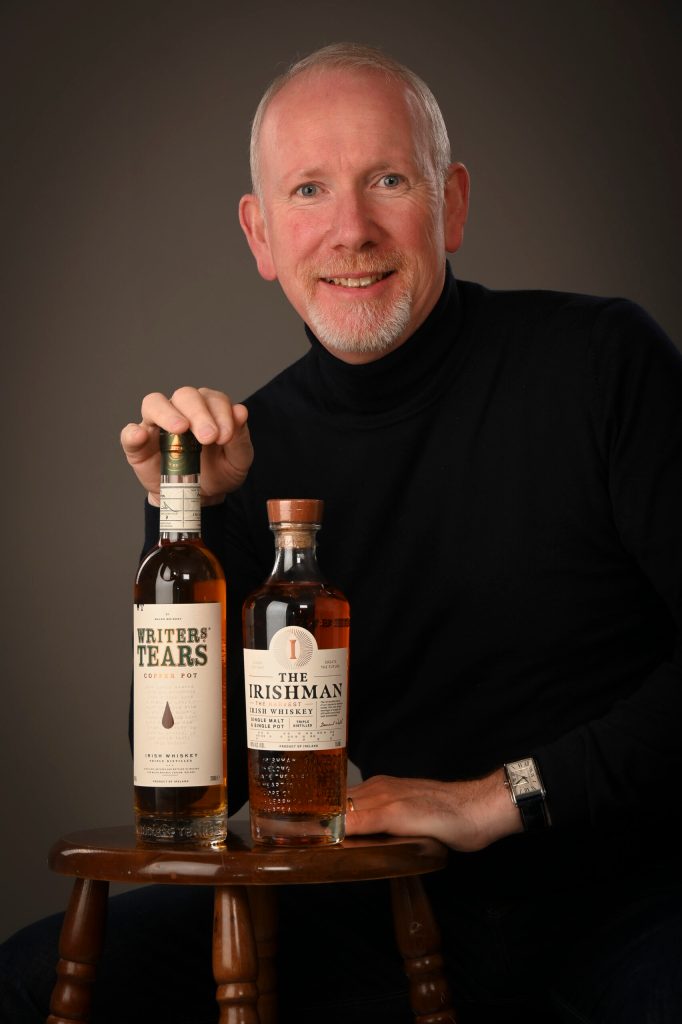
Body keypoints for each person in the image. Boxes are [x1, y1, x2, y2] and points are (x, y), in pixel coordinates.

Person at [2, 41, 682, 1024]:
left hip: (641, 893)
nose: (350, 230)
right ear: (261, 234)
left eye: (387, 181)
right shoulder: (252, 452)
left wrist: (494, 798)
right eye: (309, 191)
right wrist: (188, 511)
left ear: (451, 204)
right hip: (399, 901)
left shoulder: (600, 362)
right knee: (26, 981)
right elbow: (195, 779)